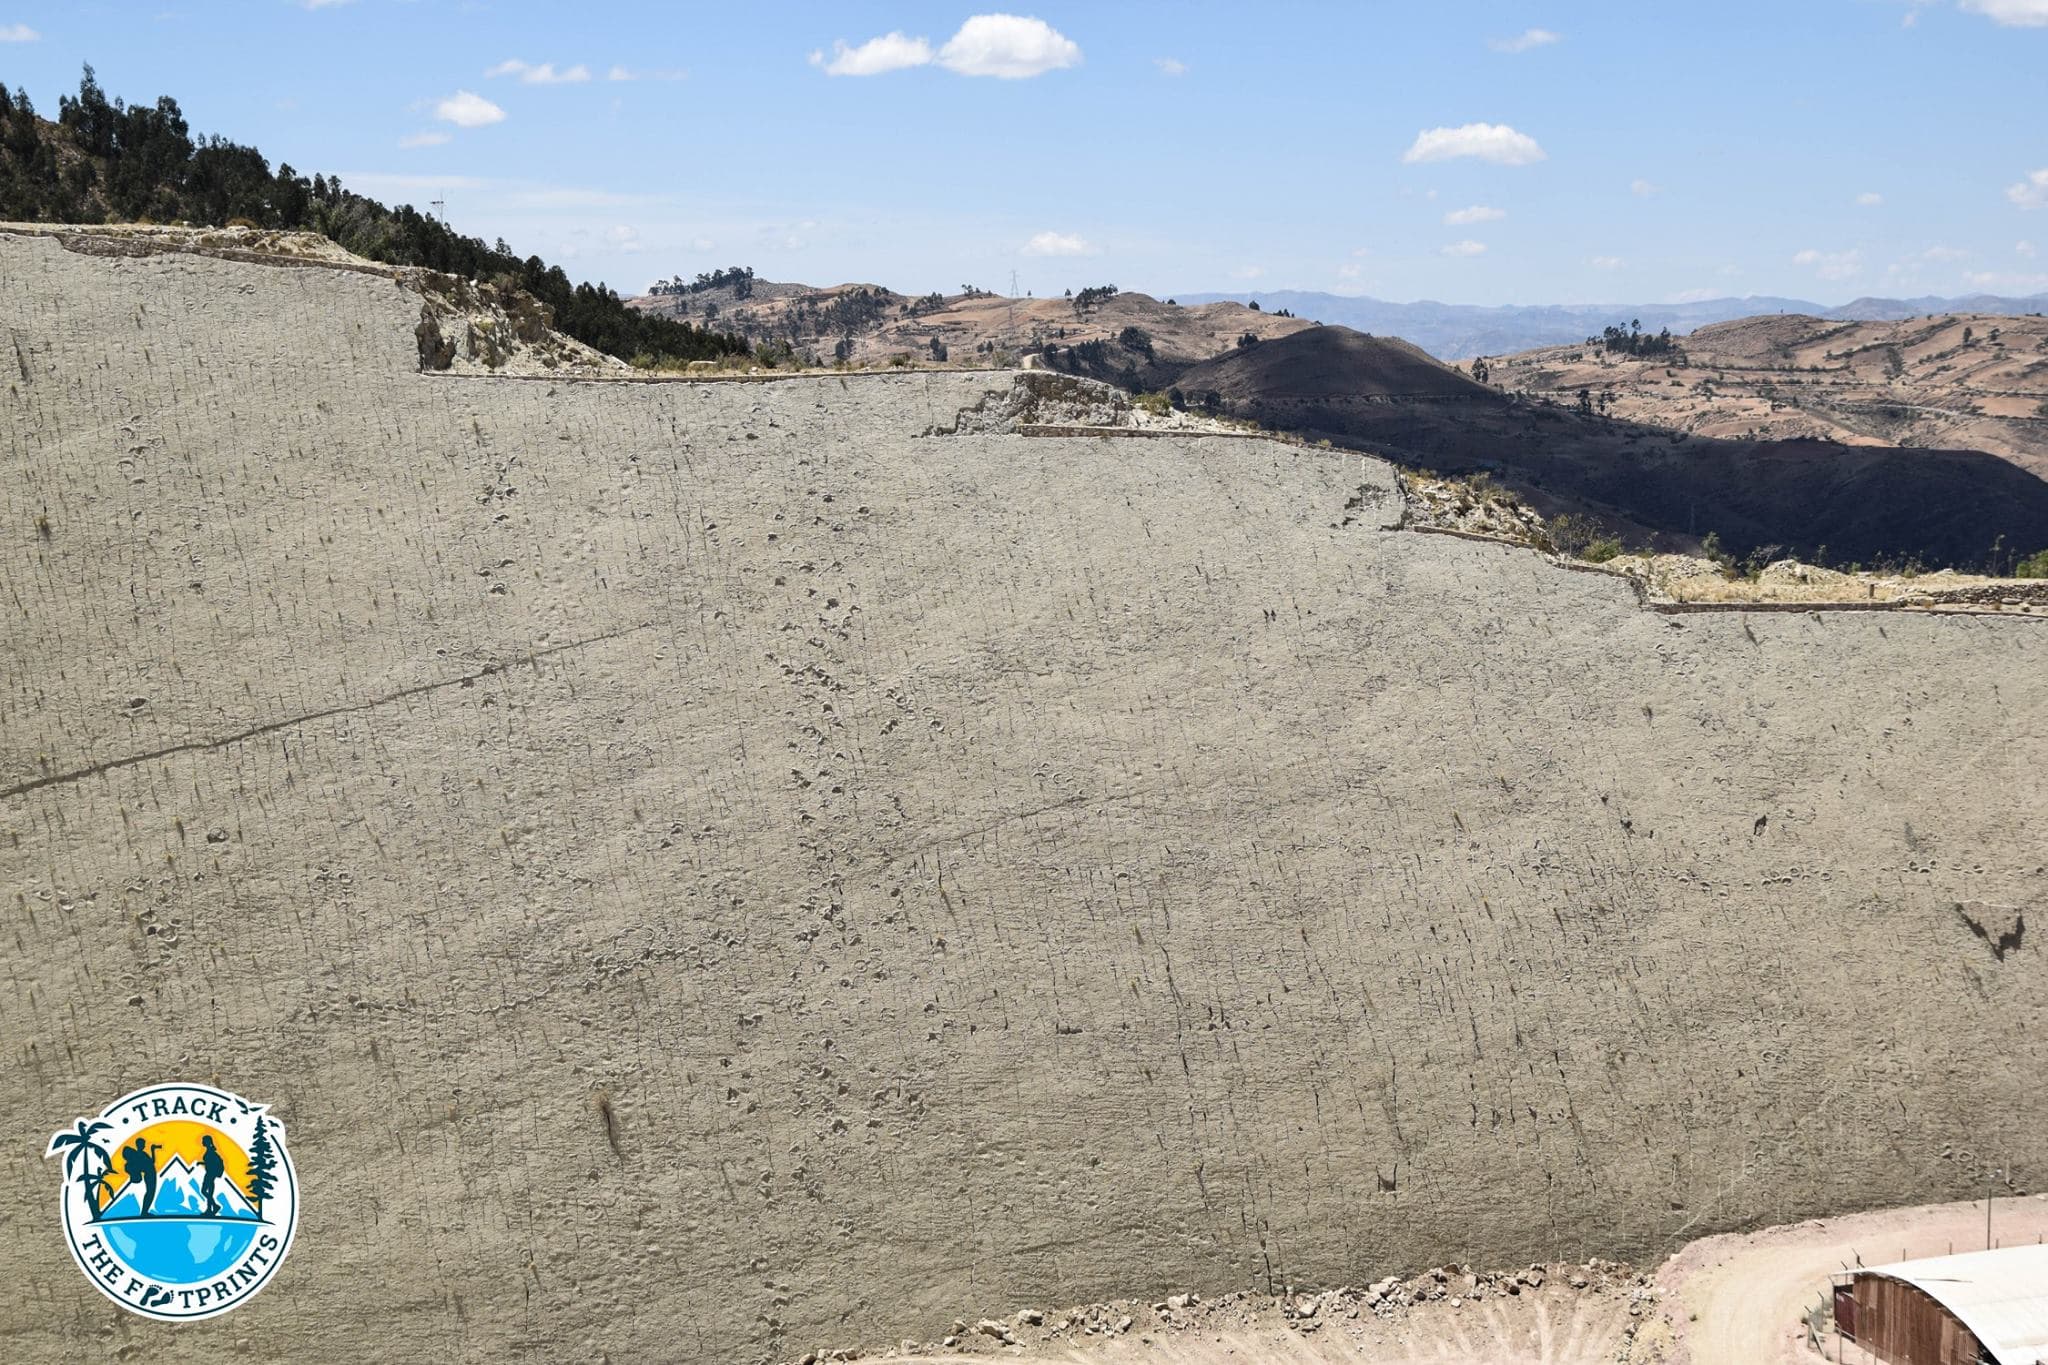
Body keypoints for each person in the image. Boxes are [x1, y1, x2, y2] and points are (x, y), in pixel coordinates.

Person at [120, 1137, 159, 1217]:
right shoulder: (138, 1155)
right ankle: (144, 1212)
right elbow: (147, 1164)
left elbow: (151, 1162)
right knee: (150, 1193)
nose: (144, 1146)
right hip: (150, 1174)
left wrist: (152, 1150)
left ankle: (144, 1212)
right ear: (138, 1145)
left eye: (144, 1144)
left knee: (150, 1193)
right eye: (142, 1144)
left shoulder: (141, 1154)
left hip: (151, 1173)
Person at [199, 1135, 226, 1217]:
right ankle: (211, 1208)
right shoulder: (210, 1151)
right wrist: (202, 1163)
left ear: (207, 1142)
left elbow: (211, 1163)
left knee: (204, 1191)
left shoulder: (210, 1152)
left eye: (203, 1140)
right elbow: (209, 1162)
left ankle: (213, 1207)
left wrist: (205, 1164)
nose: (202, 1142)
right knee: (208, 1192)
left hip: (210, 1174)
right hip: (210, 1174)